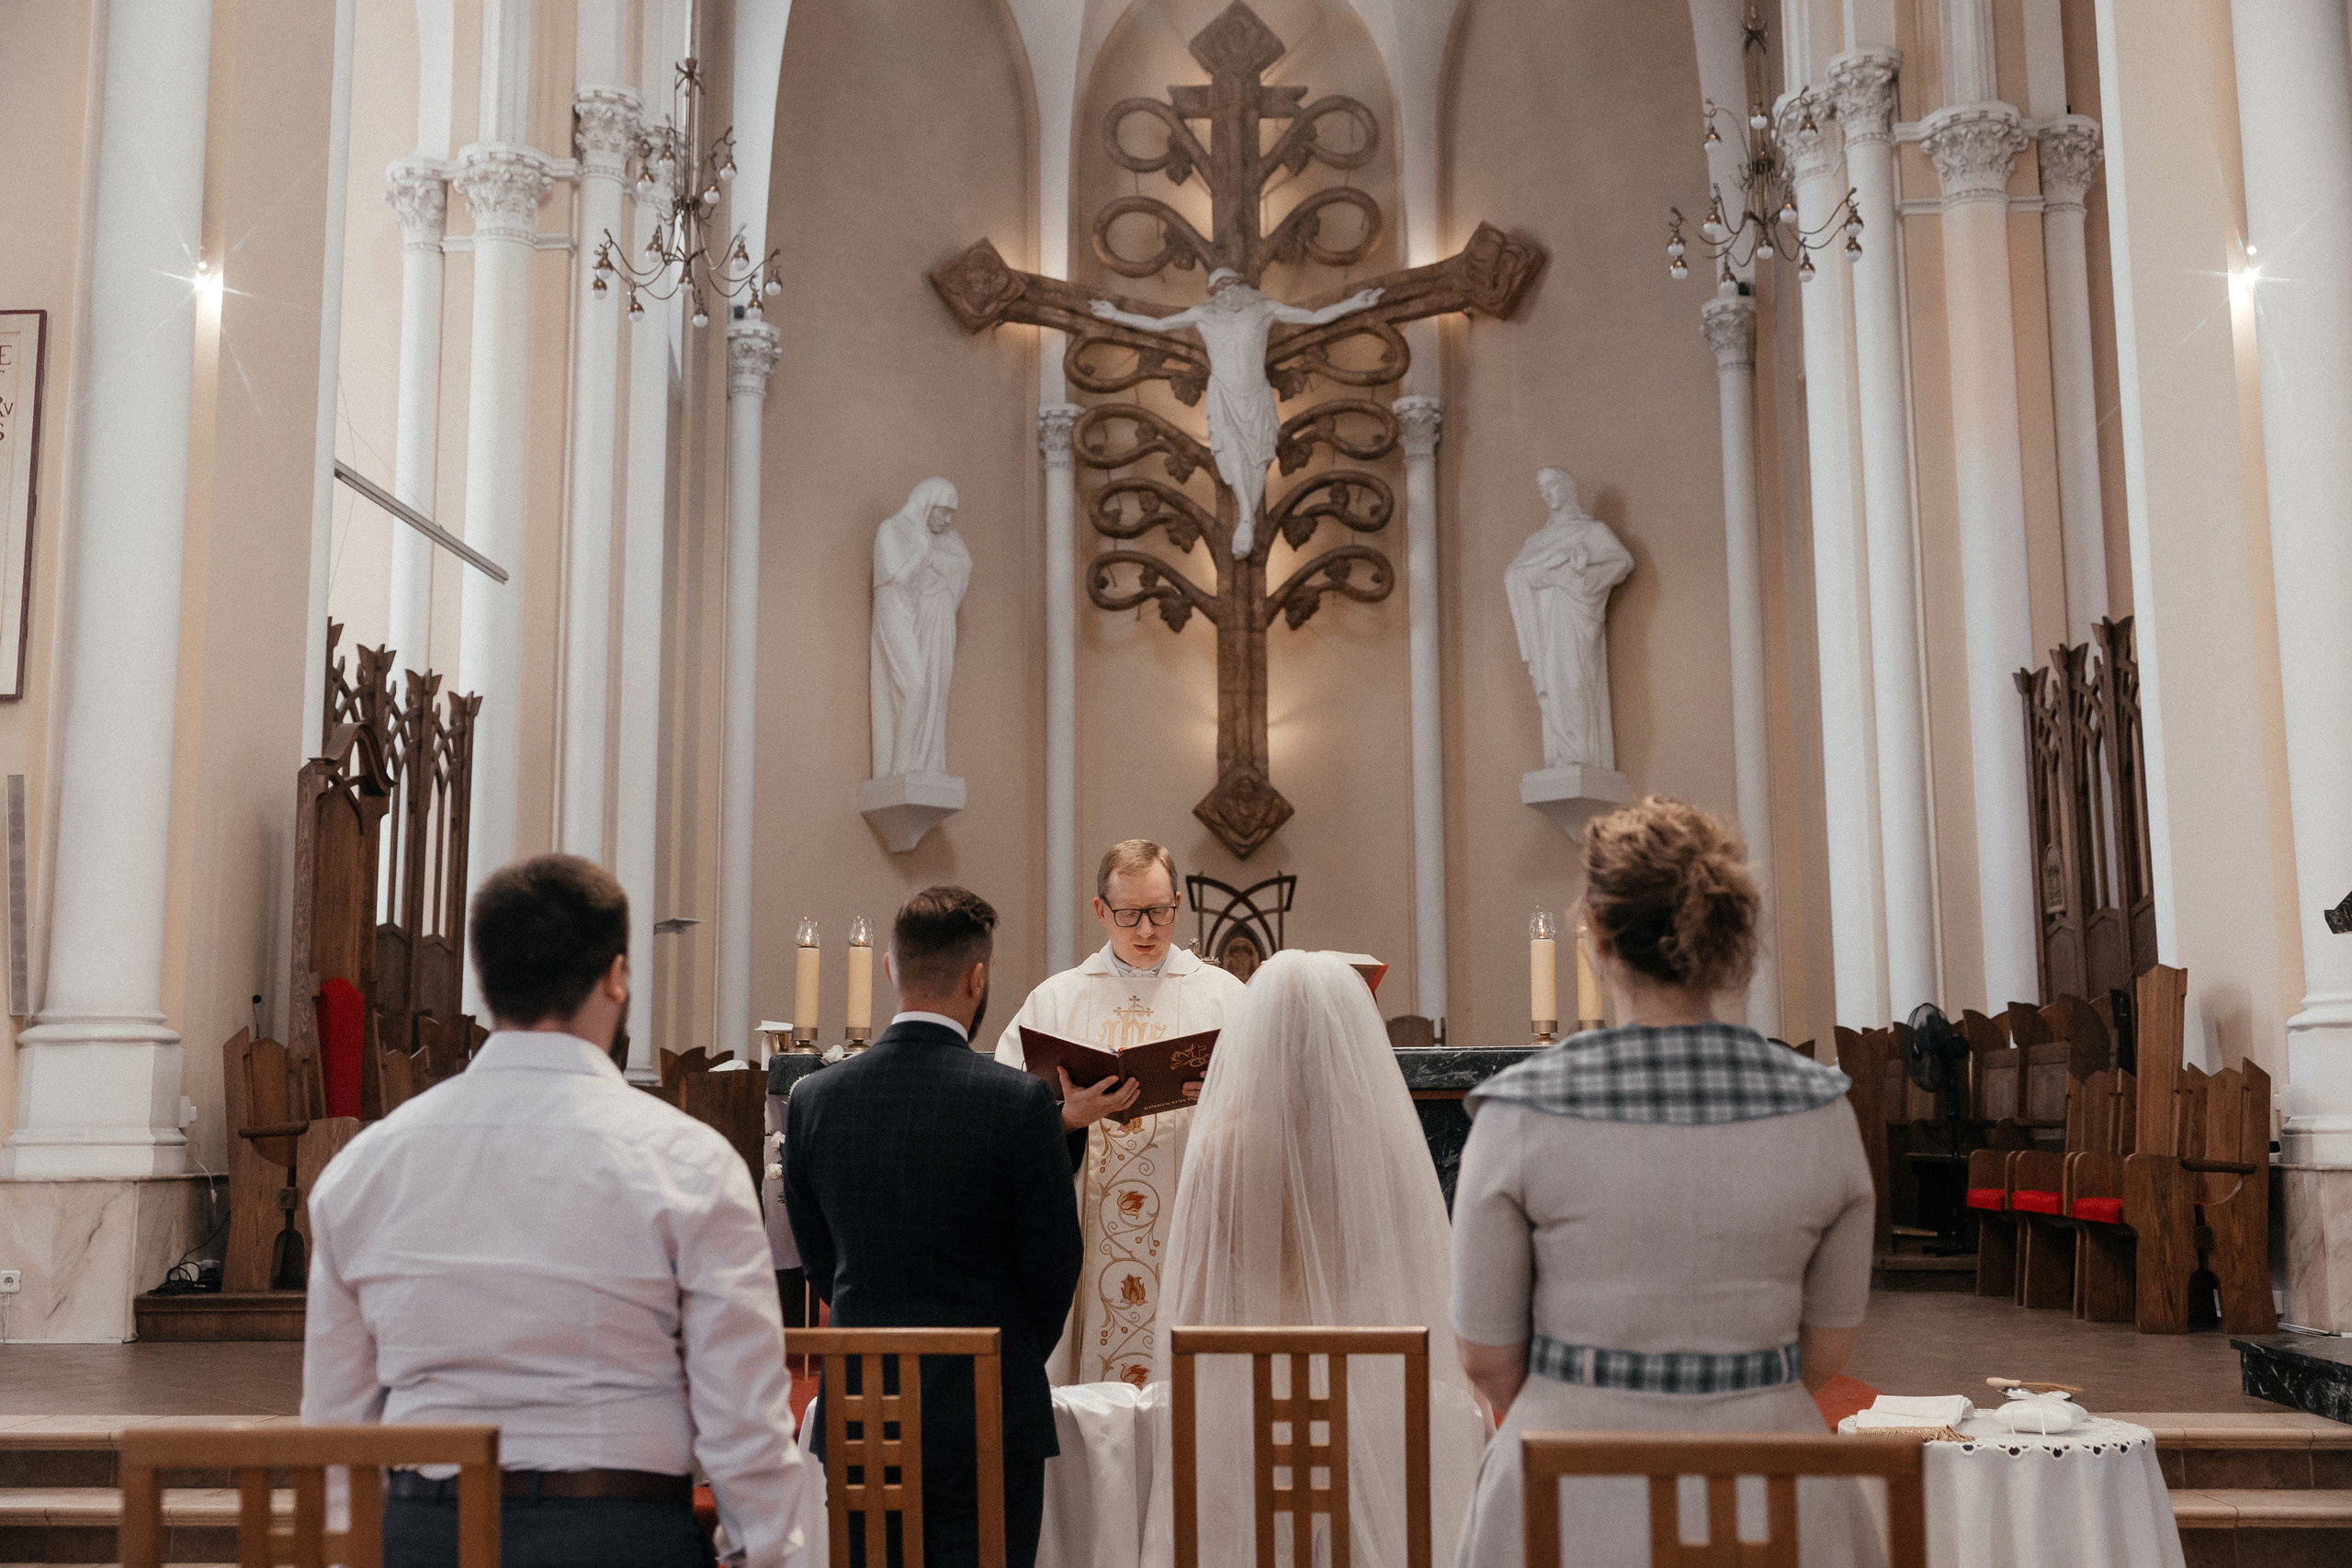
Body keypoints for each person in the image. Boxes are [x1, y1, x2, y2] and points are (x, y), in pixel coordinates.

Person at [302, 854, 814, 1568]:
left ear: (483, 982)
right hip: (618, 1534)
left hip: (426, 1537)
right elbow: (742, 1409)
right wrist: (766, 1552)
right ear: (616, 975)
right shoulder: (688, 1161)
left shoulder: (364, 1167)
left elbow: (336, 1423)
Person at [1448, 798, 1879, 1568]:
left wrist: (1588, 1398)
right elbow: (1828, 1346)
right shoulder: (1822, 1107)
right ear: (1729, 935)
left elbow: (1486, 1357)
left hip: (1567, 1483)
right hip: (1772, 1485)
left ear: (1599, 933)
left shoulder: (1519, 1110)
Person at [1141, 950, 1486, 1568]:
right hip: (1367, 1403)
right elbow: (1421, 1277)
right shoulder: (1383, 1151)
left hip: (1244, 1408)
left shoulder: (1221, 1150)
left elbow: (1190, 1301)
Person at [784, 886, 1084, 1568]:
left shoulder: (814, 1100)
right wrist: (1003, 1350)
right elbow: (1055, 1261)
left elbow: (819, 1260)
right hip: (990, 1413)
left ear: (889, 969)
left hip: (864, 1405)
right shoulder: (1020, 1102)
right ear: (978, 978)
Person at [993, 840, 1248, 1387]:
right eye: (1129, 914)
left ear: (1178, 902)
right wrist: (1063, 1120)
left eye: (1160, 911)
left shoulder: (1225, 997)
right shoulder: (1057, 1001)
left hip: (1190, 1220)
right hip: (1087, 1237)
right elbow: (1003, 1122)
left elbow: (1273, 1112)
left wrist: (1227, 1100)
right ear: (1099, 911)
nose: (1147, 930)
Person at [1090, 272, 1383, 558]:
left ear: (1239, 284)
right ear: (1212, 291)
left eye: (1230, 282)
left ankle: (1247, 518)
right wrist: (1113, 315)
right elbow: (1157, 324)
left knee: (1259, 454)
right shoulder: (1203, 314)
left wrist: (1355, 304)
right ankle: (1246, 516)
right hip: (1225, 394)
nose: (1226, 289)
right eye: (1219, 285)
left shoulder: (1264, 307)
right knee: (1232, 452)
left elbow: (1314, 317)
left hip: (1255, 394)